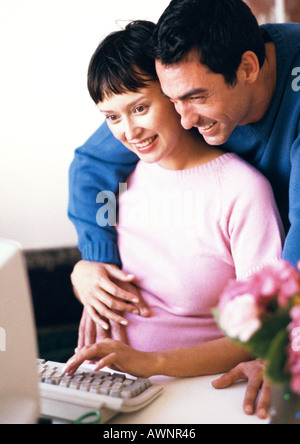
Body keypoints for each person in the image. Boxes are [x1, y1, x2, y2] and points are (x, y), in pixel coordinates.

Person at [68, 0, 300, 417]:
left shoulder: (242, 189)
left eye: (141, 107)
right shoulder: (132, 164)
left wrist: (275, 347)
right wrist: (90, 265)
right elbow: (92, 166)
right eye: (112, 117)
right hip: (114, 387)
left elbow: (268, 316)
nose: (185, 118)